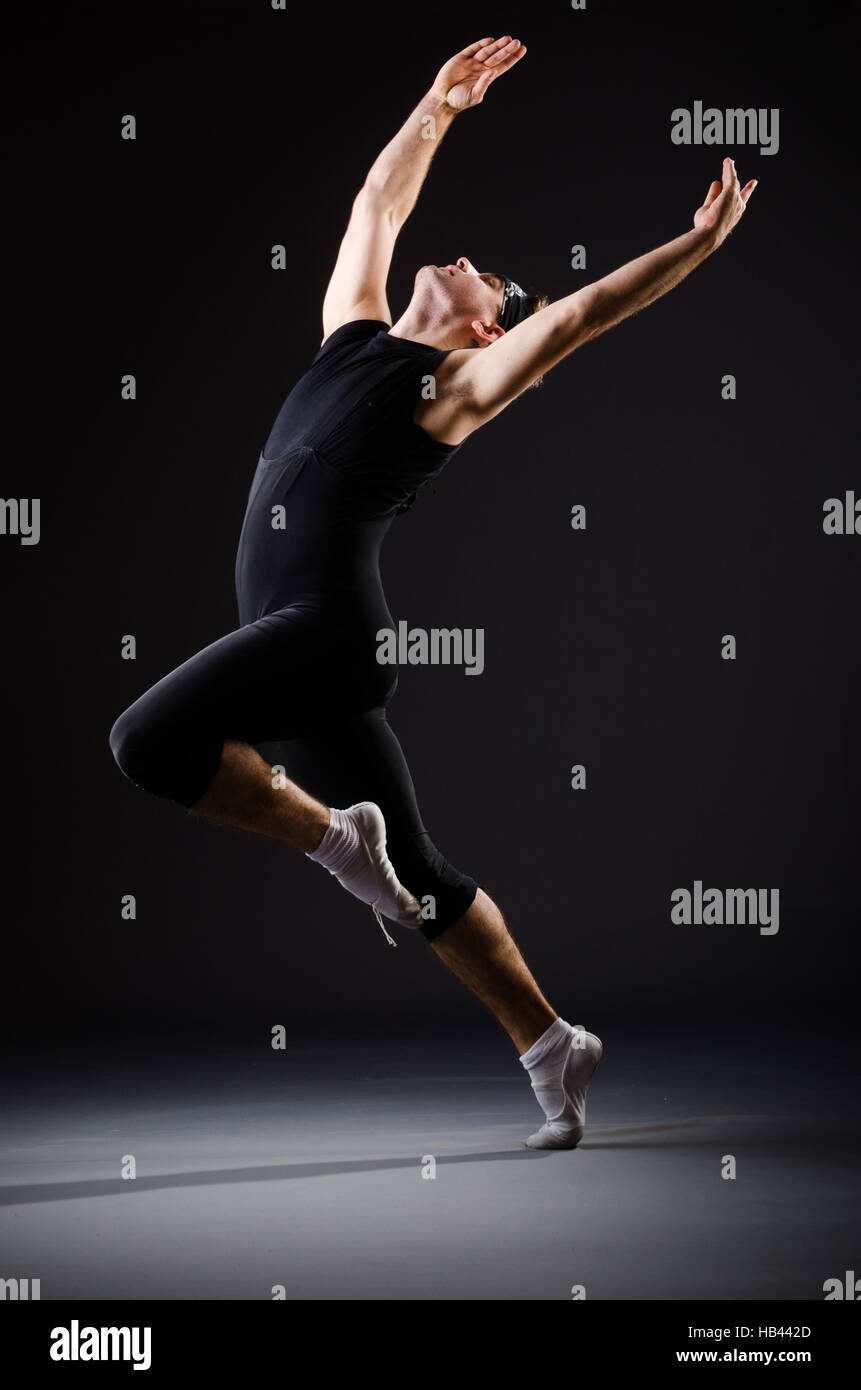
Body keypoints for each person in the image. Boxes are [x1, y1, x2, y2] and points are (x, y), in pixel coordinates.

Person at [109, 35, 756, 1149]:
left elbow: (578, 316)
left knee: (145, 740)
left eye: (483, 275)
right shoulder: (348, 337)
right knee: (421, 877)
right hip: (301, 648)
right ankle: (554, 1047)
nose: (459, 257)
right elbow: (378, 203)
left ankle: (334, 844)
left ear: (488, 327)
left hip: (323, 633)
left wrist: (695, 246)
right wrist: (438, 107)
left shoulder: (450, 386)